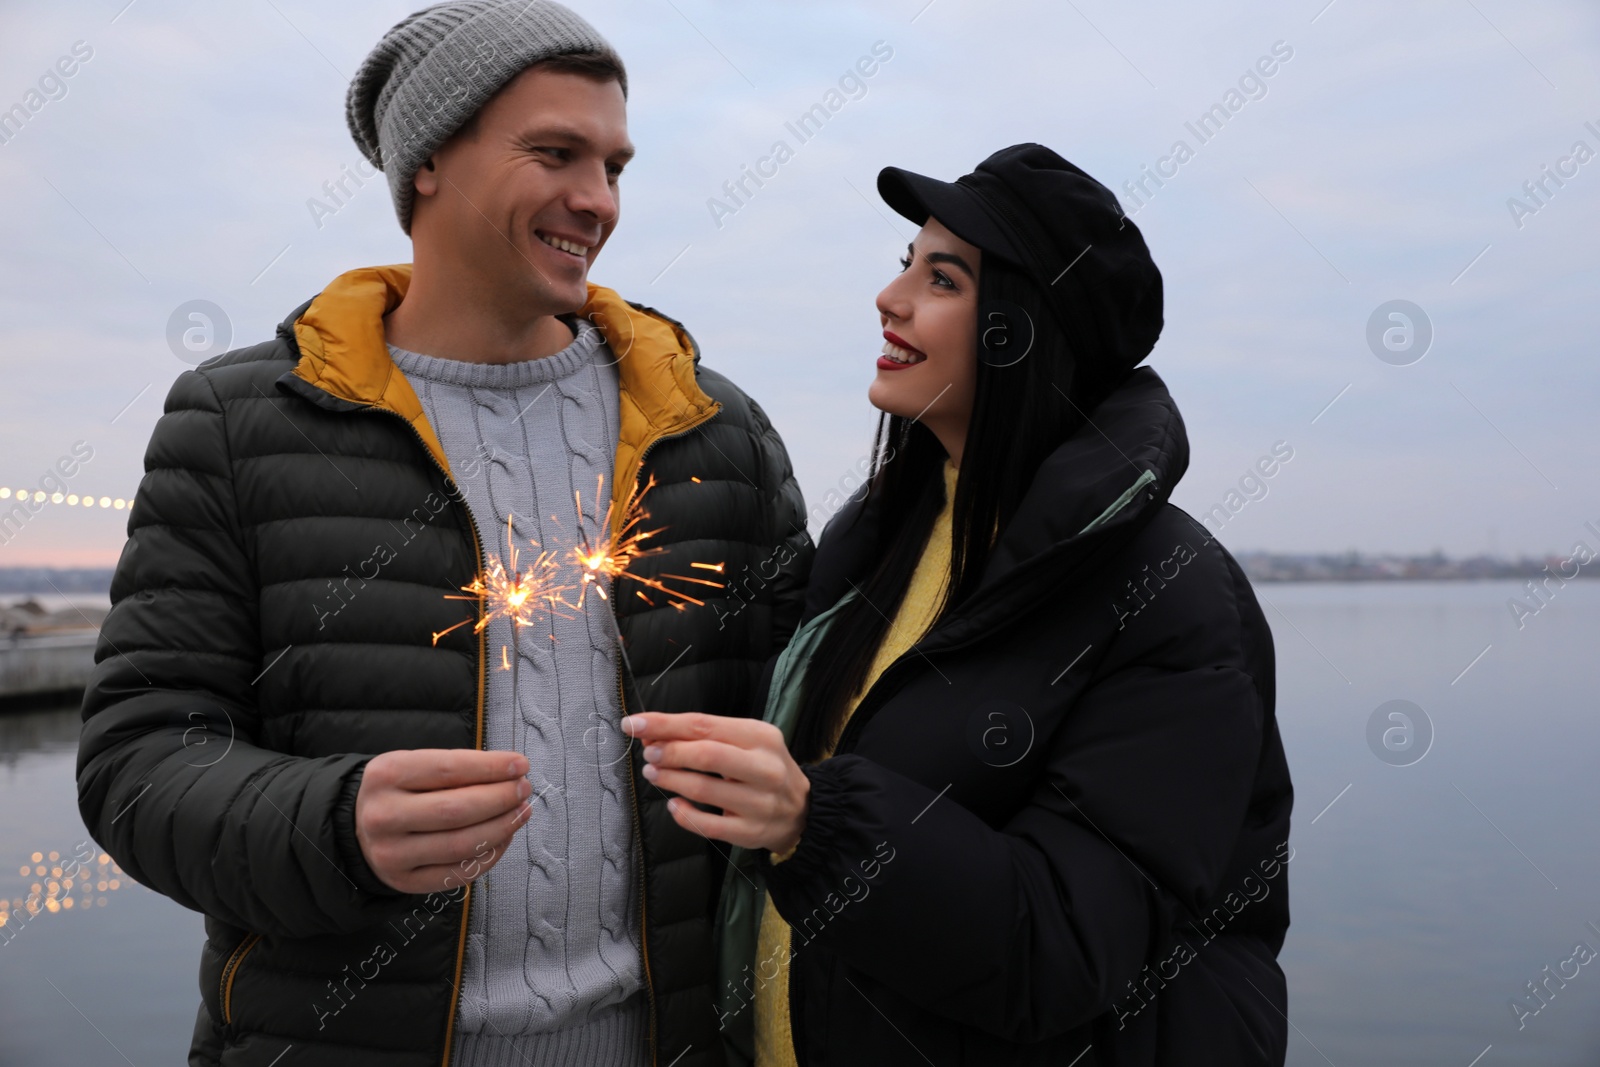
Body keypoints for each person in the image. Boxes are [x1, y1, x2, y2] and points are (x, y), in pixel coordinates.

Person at [75, 3, 810, 1065]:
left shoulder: (714, 429)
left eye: (612, 163)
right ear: (427, 163)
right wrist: (328, 822)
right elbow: (135, 765)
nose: (596, 200)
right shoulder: (237, 422)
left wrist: (799, 796)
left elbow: (825, 728)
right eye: (554, 153)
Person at [620, 144, 1295, 1065]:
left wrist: (817, 821)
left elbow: (1066, 946)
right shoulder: (875, 545)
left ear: (1026, 329)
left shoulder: (1168, 592)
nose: (890, 299)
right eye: (906, 264)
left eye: (943, 278)